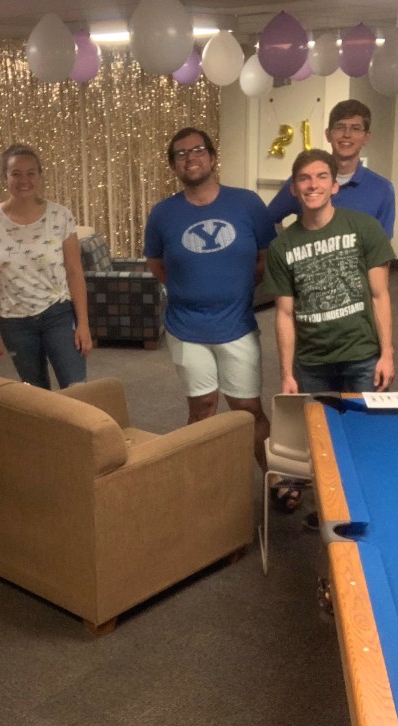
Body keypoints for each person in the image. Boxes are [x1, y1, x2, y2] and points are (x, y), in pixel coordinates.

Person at [143, 127, 274, 485]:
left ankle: (275, 478)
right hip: (186, 327)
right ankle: (200, 485)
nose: (190, 158)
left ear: (213, 157)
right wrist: (192, 288)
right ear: (174, 166)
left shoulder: (247, 203)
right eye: (181, 153)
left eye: (198, 150)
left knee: (248, 409)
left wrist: (235, 288)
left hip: (237, 325)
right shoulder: (163, 214)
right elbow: (157, 264)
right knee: (201, 409)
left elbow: (265, 257)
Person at [263, 149, 396, 396]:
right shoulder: (281, 246)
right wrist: (286, 374)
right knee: (316, 421)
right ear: (293, 189)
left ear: (334, 187)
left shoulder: (365, 228)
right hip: (312, 362)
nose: (313, 185)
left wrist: (387, 354)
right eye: (304, 178)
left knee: (368, 419)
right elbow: (284, 314)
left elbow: (380, 296)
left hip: (362, 355)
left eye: (322, 177)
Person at [0, 143, 92, 389]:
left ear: (39, 176)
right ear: (5, 177)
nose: (24, 180)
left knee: (77, 389)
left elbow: (74, 272)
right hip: (14, 321)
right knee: (37, 396)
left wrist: (83, 324)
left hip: (57, 314)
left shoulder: (60, 216)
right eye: (16, 174)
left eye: (30, 173)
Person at [266, 99, 396, 237]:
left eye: (356, 128)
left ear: (366, 137)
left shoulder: (382, 189)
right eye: (340, 127)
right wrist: (285, 246)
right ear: (328, 134)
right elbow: (266, 221)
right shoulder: (304, 182)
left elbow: (382, 245)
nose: (347, 134)